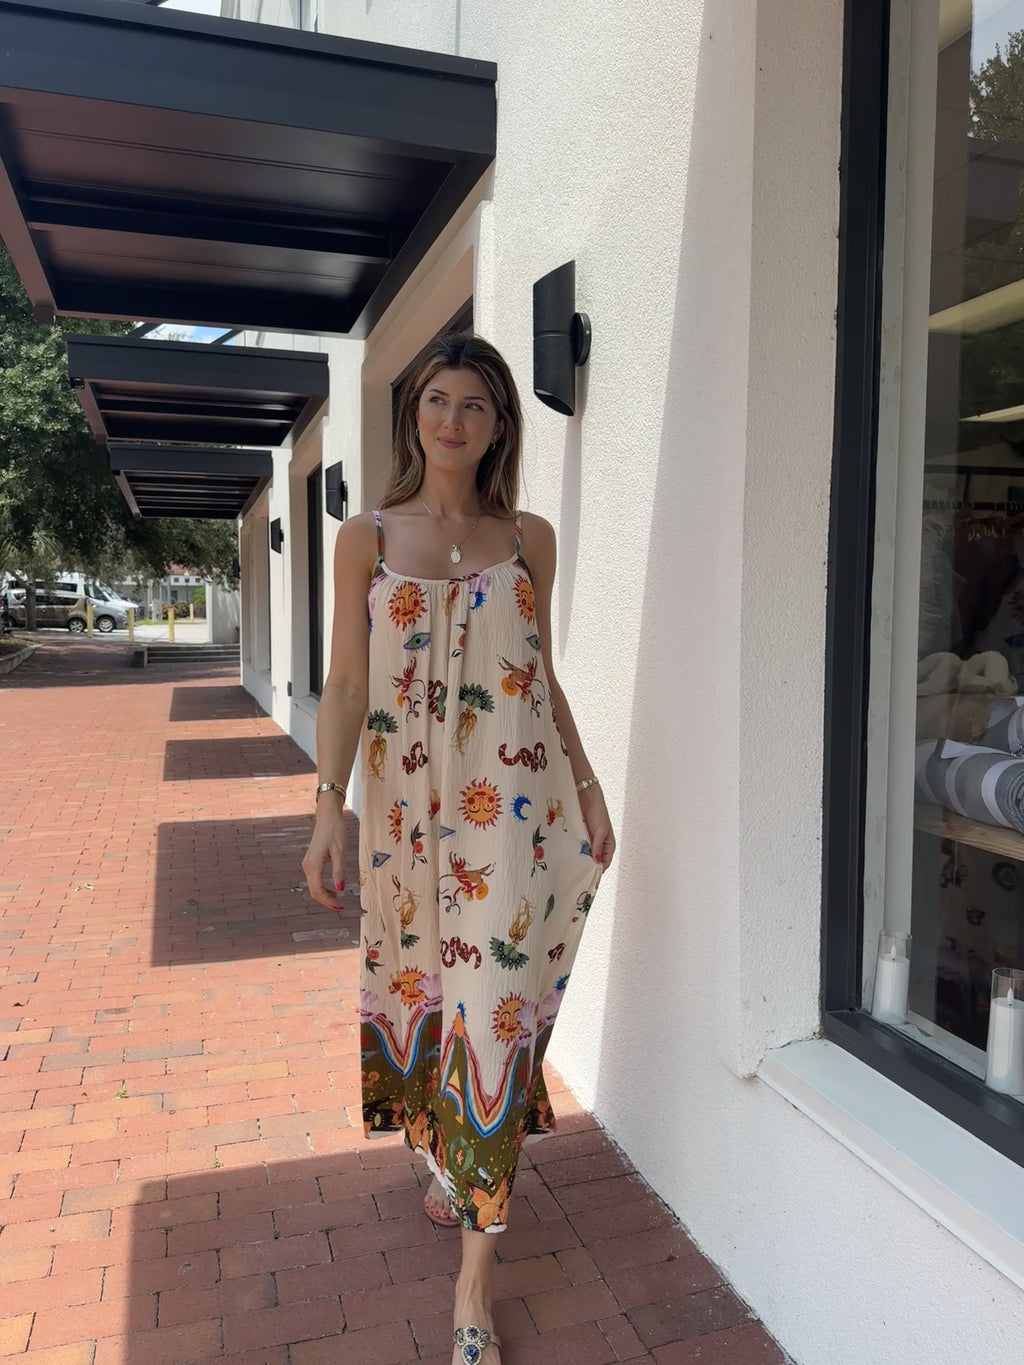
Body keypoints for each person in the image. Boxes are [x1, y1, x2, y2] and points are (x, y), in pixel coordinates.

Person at [302, 332, 615, 1364]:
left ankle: (474, 1285)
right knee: (422, 997)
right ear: (413, 415)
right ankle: (444, 1158)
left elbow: (542, 676)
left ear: (498, 427)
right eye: (436, 400)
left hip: (507, 818)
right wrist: (325, 808)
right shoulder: (365, 538)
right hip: (399, 828)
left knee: (492, 1015)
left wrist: (586, 780)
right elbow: (346, 686)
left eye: (474, 405)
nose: (451, 420)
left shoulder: (529, 537)